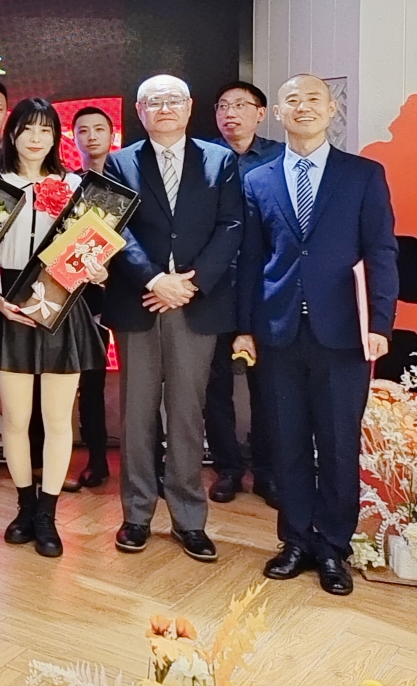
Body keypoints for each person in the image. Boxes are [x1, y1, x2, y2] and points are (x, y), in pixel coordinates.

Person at [235, 74, 397, 597]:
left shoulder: (363, 175)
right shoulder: (257, 180)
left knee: (337, 444)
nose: (302, 107)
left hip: (345, 333)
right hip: (277, 332)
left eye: (313, 99)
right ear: (279, 113)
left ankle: (333, 547)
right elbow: (251, 260)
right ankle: (295, 540)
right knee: (285, 442)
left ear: (332, 109)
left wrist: (380, 324)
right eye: (292, 101)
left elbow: (381, 252)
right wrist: (245, 328)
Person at [103, 75, 243, 563]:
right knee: (136, 414)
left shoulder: (219, 160)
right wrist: (153, 279)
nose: (164, 108)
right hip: (139, 301)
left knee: (186, 412)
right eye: (153, 102)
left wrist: (190, 283)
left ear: (189, 106)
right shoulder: (120, 162)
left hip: (195, 303)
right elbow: (113, 226)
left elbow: (232, 226)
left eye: (173, 100)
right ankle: (136, 514)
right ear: (140, 111)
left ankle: (189, 518)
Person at [0, 100, 109, 557]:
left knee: (59, 421)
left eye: (46, 130)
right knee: (15, 420)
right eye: (27, 129)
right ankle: (23, 506)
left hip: (63, 306)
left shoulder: (76, 186)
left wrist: (98, 269)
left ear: (56, 137)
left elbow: (94, 252)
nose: (36, 138)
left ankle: (48, 514)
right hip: (10, 307)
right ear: (12, 134)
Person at [205, 81, 285, 507]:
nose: (230, 113)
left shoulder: (280, 158)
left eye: (240, 105)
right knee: (214, 385)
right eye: (222, 106)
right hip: (213, 288)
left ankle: (268, 470)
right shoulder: (203, 158)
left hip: (266, 288)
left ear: (261, 113)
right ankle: (228, 468)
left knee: (268, 385)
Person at [70, 105, 115, 489]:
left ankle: (150, 460)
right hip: (81, 296)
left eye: (99, 129)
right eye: (83, 130)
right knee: (89, 380)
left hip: (129, 290)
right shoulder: (68, 185)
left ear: (112, 135)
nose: (91, 137)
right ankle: (96, 459)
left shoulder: (130, 179)